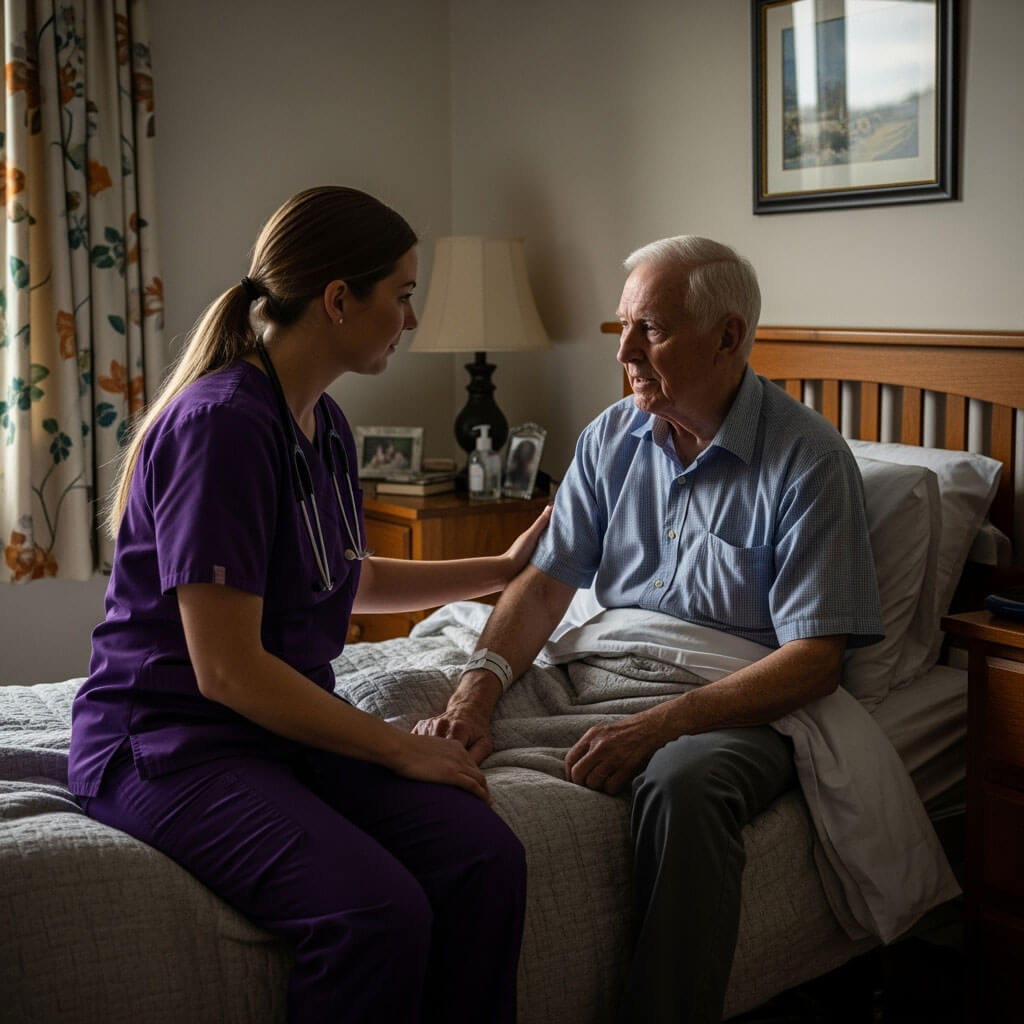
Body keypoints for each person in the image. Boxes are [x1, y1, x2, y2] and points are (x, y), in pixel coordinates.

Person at [68, 186, 551, 1024]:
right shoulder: (221, 426)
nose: (408, 317)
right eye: (400, 295)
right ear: (338, 299)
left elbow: (344, 576)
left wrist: (499, 568)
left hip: (282, 730)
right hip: (168, 744)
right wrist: (398, 750)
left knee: (485, 857)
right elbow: (226, 671)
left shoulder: (320, 422)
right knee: (374, 912)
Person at [414, 236, 883, 1023]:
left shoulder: (808, 460)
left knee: (683, 781)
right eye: (622, 327)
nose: (625, 350)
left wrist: (657, 728)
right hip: (604, 662)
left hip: (735, 695)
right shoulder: (609, 439)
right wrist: (477, 687)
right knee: (410, 711)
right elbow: (544, 586)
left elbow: (813, 664)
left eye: (652, 331)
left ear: (729, 337)